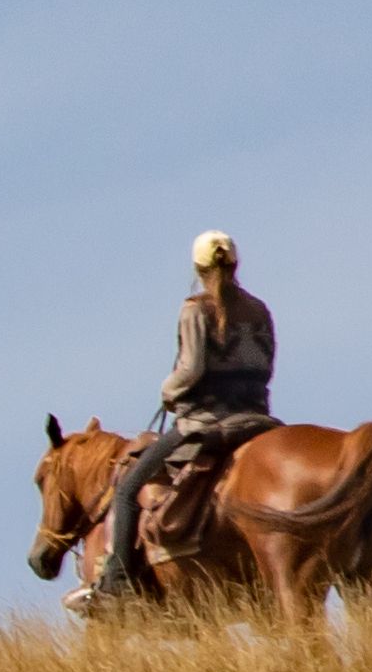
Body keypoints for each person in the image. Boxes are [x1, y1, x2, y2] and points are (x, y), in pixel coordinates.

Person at [76, 232, 275, 609]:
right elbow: (265, 366)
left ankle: (116, 584)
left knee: (127, 488)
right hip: (256, 421)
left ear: (198, 269)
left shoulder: (195, 309)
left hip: (204, 425)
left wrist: (169, 391)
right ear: (235, 265)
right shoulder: (259, 310)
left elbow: (191, 369)